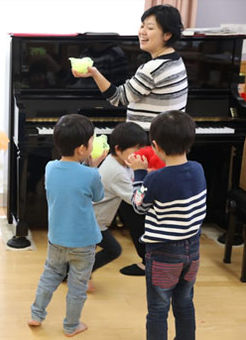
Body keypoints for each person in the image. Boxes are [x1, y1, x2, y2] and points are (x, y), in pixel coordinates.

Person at [73, 4, 187, 275]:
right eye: (142, 25)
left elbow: (118, 98)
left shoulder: (153, 68)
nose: (142, 32)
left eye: (150, 28)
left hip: (148, 144)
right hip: (164, 142)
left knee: (138, 204)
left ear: (167, 35)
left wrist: (93, 73)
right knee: (136, 202)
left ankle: (151, 261)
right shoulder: (176, 60)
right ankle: (151, 258)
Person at [128, 110, 206, 340]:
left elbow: (138, 206)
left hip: (163, 253)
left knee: (158, 309)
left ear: (155, 145)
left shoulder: (155, 179)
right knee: (184, 303)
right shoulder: (198, 169)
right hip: (192, 251)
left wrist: (139, 174)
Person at [28, 114, 104, 337]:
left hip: (57, 238)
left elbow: (71, 178)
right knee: (77, 287)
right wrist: (95, 166)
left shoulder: (50, 167)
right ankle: (71, 326)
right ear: (82, 149)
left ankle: (36, 314)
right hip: (84, 242)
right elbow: (97, 196)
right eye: (92, 141)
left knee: (49, 276)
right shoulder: (90, 174)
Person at [91, 122, 148, 281]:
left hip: (96, 218)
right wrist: (141, 175)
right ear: (118, 149)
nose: (139, 154)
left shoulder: (120, 161)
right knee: (113, 250)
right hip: (93, 221)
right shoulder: (116, 172)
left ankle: (72, 272)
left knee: (85, 252)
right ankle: (79, 274)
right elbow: (137, 201)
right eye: (136, 150)